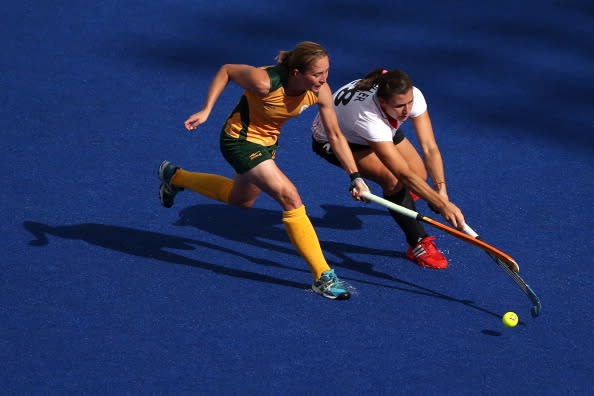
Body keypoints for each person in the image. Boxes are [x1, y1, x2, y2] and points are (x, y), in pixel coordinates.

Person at [158, 41, 369, 300]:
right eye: (317, 74)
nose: (324, 79)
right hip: (239, 141)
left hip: (268, 144)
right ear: (296, 73)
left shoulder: (320, 90)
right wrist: (206, 110)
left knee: (241, 199)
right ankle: (323, 275)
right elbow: (227, 70)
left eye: (326, 72)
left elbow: (335, 136)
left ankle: (175, 177)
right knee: (290, 196)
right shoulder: (264, 82)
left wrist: (355, 177)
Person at [311, 68, 465, 269]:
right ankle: (417, 242)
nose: (407, 110)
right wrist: (442, 205)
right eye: (400, 105)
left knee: (419, 175)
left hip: (378, 126)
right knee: (393, 180)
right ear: (383, 102)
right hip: (338, 141)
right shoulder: (368, 118)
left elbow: (430, 147)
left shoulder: (410, 96)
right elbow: (402, 173)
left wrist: (441, 190)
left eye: (409, 102)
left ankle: (402, 199)